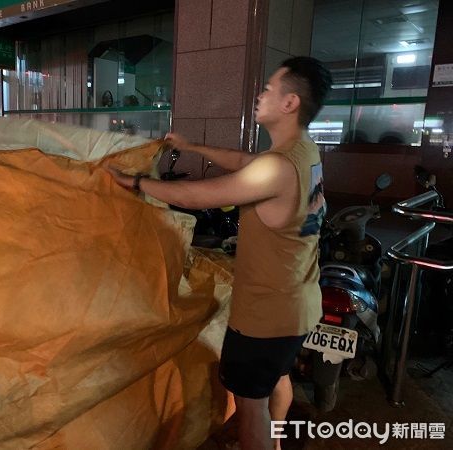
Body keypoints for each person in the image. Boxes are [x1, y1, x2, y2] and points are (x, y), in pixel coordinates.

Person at [109, 56, 332, 450]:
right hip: (299, 304)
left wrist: (135, 182)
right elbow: (248, 163)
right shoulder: (303, 153)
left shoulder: (277, 167)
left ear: (290, 103)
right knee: (278, 378)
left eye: (268, 88)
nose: (260, 94)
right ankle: (276, 443)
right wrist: (193, 147)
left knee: (250, 408)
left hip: (265, 315)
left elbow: (198, 195)